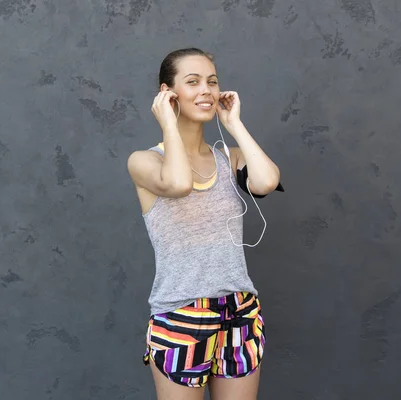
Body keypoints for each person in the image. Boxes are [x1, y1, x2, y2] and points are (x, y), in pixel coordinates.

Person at [127, 48, 282, 400]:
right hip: (181, 317)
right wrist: (168, 123)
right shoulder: (144, 161)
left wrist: (234, 125)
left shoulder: (229, 158)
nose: (206, 91)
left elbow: (267, 182)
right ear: (167, 93)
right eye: (193, 82)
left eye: (212, 81)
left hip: (240, 312)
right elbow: (178, 185)